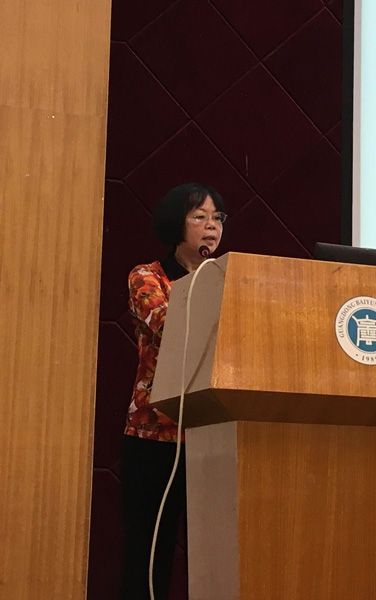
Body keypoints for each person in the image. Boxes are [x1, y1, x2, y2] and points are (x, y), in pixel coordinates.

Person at [120, 182, 226, 599]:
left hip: (210, 437)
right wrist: (207, 287)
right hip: (154, 435)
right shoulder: (147, 277)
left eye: (217, 218)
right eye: (199, 217)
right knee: (149, 555)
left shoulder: (227, 280)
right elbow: (170, 326)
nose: (211, 226)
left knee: (213, 555)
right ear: (175, 224)